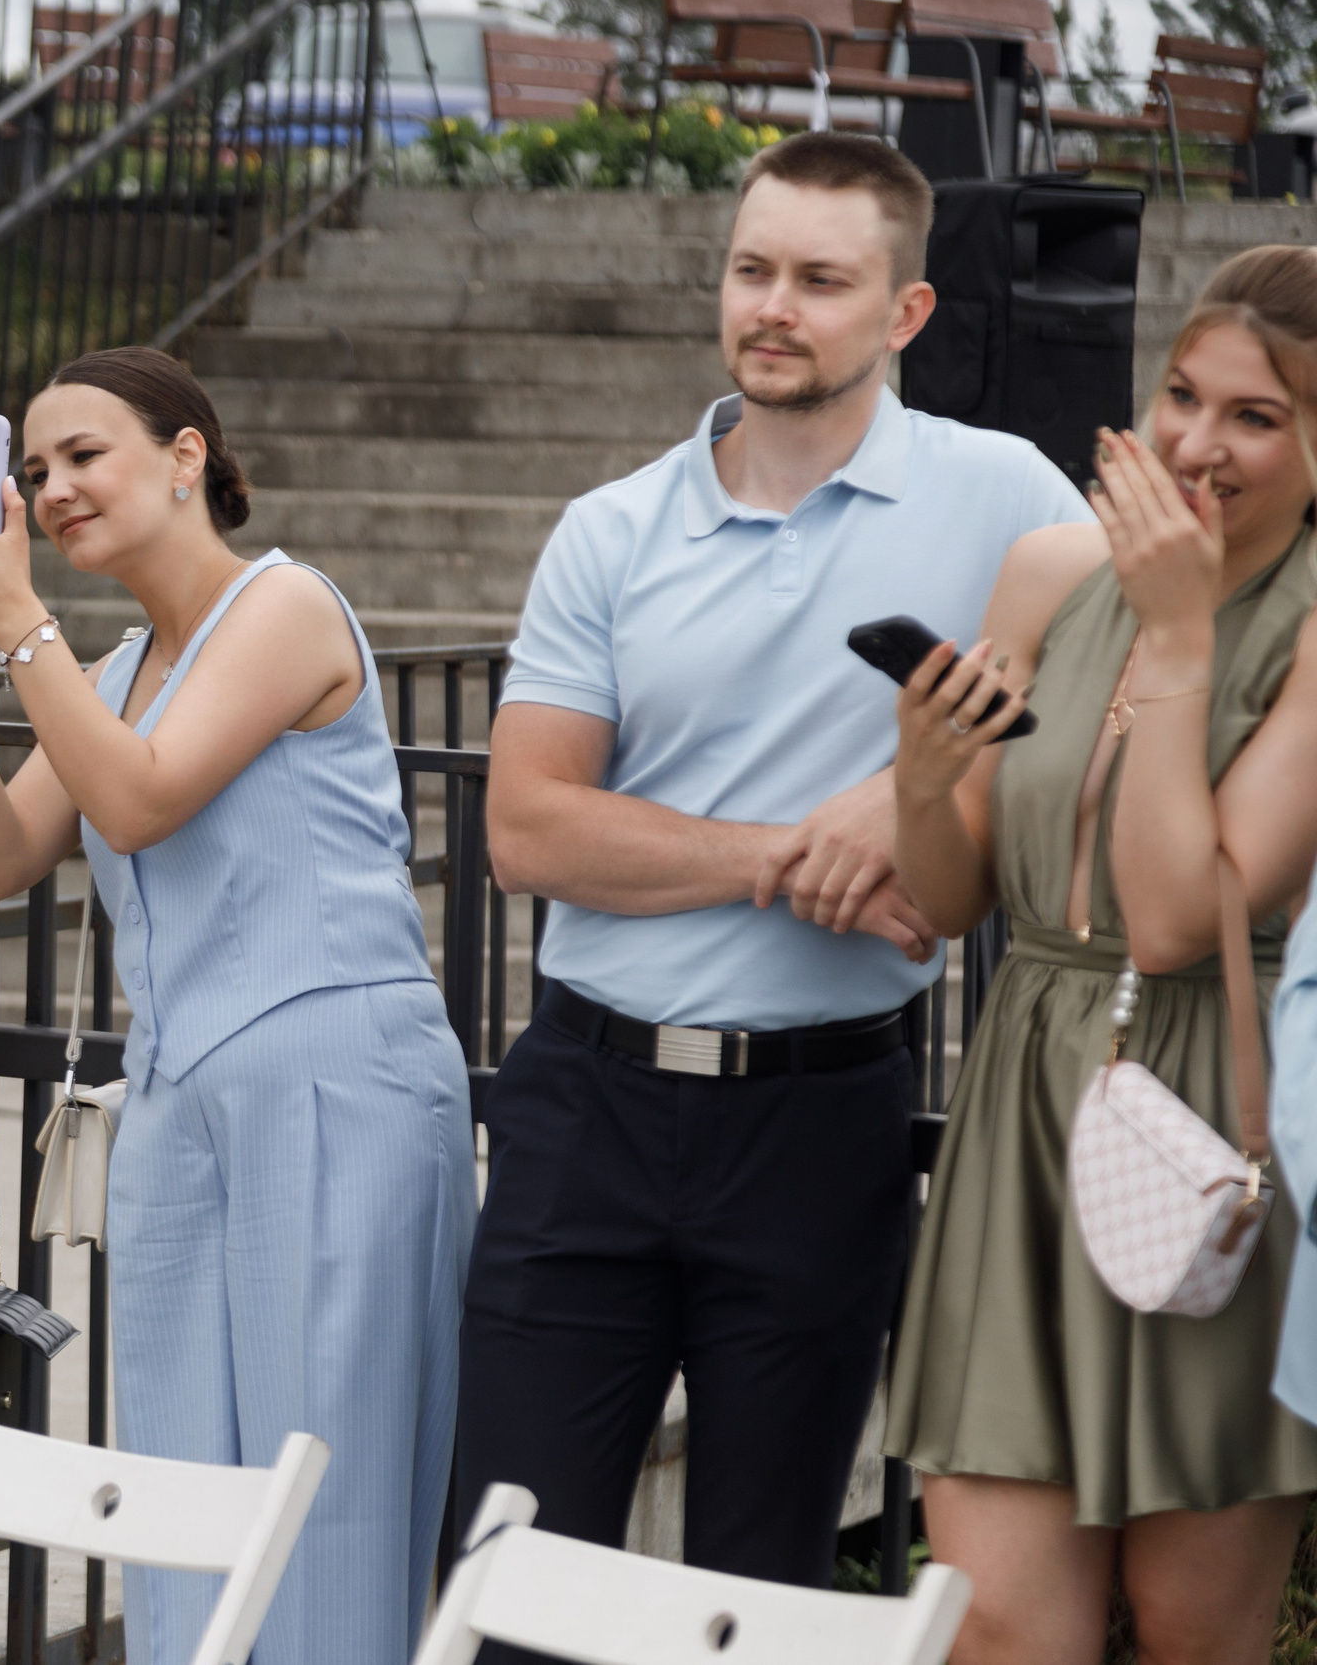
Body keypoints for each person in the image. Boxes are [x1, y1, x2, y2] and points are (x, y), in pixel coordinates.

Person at [468, 133, 1091, 1615]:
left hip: (824, 1117)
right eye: (755, 269)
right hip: (584, 1108)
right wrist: (778, 855)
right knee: (504, 1584)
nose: (776, 306)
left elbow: (1131, 637)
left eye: (822, 280)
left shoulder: (1003, 492)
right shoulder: (610, 528)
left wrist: (903, 793)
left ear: (907, 315)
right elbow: (528, 827)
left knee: (766, 1592)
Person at [0, 346, 473, 1665]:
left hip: (337, 1080)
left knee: (323, 1498)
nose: (49, 489)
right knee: (174, 1504)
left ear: (187, 456)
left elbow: (141, 796)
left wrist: (20, 620)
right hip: (178, 1101)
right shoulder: (118, 661)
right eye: (32, 471)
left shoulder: (286, 607)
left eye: (84, 455)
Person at [889, 245, 1317, 1665]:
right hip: (1025, 1105)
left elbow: (1180, 918)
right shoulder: (1053, 570)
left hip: (1204, 1121)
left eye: (1256, 415)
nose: (1197, 442)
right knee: (998, 1626)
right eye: (1183, 394)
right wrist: (919, 767)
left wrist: (1184, 632)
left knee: (1198, 1629)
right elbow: (951, 897)